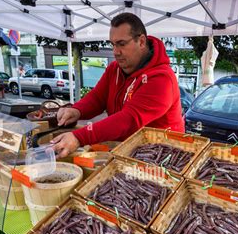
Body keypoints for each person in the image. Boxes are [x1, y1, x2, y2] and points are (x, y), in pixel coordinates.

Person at [52, 12, 184, 158]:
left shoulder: (162, 79)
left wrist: (80, 137)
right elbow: (98, 98)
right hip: (127, 152)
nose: (115, 52)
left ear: (141, 42)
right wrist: (77, 110)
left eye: (121, 44)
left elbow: (129, 120)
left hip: (163, 157)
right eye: (113, 44)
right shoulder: (114, 68)